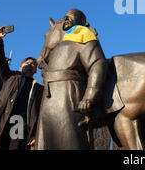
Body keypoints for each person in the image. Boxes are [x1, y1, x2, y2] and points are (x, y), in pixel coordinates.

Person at [35, 9, 108, 149]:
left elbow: (97, 64)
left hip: (68, 96)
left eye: (72, 16)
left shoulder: (85, 38)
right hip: (48, 101)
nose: (66, 18)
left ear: (83, 22)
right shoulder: (58, 46)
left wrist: (90, 96)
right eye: (65, 16)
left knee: (70, 141)